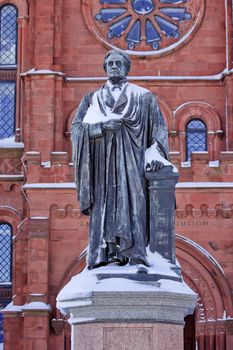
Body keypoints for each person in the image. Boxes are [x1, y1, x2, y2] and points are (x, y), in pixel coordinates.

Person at [71, 50, 169, 269]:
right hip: (101, 167)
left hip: (132, 167)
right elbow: (76, 129)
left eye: (119, 63)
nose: (114, 66)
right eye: (110, 63)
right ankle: (103, 255)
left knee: (134, 204)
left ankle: (135, 253)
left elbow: (159, 132)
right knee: (103, 208)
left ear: (127, 67)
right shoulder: (92, 98)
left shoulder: (143, 97)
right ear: (105, 68)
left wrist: (156, 157)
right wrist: (100, 128)